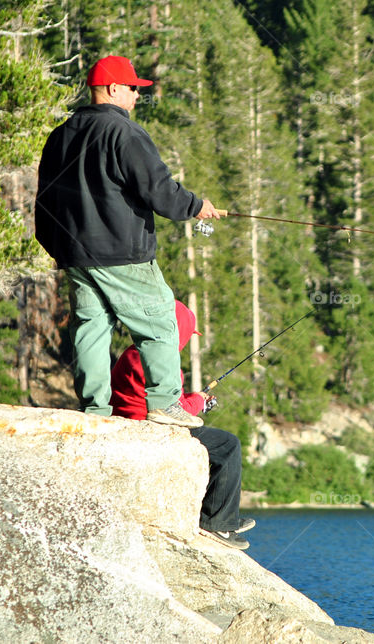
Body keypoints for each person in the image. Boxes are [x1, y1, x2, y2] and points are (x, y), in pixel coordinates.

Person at [35, 55, 224, 428]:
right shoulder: (125, 134)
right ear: (113, 89)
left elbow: (43, 201)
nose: (137, 96)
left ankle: (95, 412)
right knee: (161, 323)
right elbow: (158, 189)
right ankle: (166, 403)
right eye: (133, 89)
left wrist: (59, 249)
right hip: (124, 255)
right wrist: (196, 206)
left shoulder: (60, 135)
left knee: (91, 329)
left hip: (75, 256)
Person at [110, 300, 254, 550]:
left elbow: (167, 403)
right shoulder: (162, 361)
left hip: (133, 421)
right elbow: (171, 411)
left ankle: (220, 515)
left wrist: (195, 400)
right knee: (228, 445)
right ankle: (217, 522)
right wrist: (198, 401)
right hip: (148, 428)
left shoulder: (135, 352)